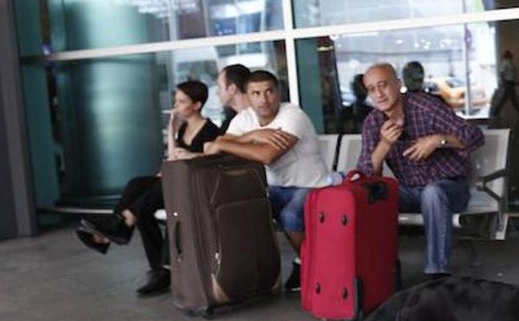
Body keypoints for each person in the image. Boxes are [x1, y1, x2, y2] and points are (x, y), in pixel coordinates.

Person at [76, 80, 220, 296]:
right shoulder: (183, 128)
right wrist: (171, 130)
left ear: (197, 105)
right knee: (137, 185)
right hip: (175, 183)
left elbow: (209, 164)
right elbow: (172, 160)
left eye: (182, 101)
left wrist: (186, 159)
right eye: (176, 101)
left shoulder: (210, 130)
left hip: (193, 188)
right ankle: (151, 260)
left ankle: (122, 225)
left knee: (153, 194)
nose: (177, 106)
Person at [205, 70, 329, 292]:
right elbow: (219, 144)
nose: (263, 99)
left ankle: (311, 266)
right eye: (256, 93)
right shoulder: (245, 118)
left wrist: (229, 143)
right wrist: (252, 136)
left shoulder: (293, 115)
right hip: (273, 188)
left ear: (278, 93)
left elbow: (267, 155)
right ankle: (253, 274)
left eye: (269, 92)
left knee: (290, 215)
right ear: (248, 96)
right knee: (243, 210)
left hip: (311, 185)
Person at [358, 63, 484, 278]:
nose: (379, 94)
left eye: (383, 85)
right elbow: (365, 175)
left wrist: (438, 140)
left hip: (450, 187)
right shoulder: (373, 123)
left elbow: (474, 135)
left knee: (432, 193)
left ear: (398, 85)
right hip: (409, 191)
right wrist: (384, 145)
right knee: (367, 196)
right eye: (371, 89)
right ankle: (379, 272)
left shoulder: (425, 107)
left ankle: (437, 273)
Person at [489, 49, 519, 123]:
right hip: (508, 83)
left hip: (510, 83)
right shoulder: (505, 63)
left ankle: (495, 113)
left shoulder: (508, 63)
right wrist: (504, 81)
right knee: (511, 100)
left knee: (508, 99)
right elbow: (502, 73)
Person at [216, 63, 251, 134]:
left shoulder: (261, 116)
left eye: (220, 87)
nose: (217, 92)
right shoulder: (228, 122)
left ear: (232, 89)